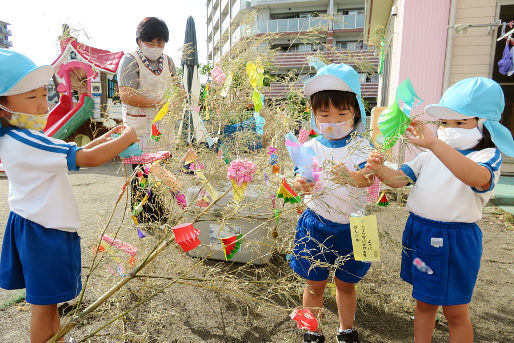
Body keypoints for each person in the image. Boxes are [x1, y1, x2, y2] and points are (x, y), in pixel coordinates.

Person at [0, 49, 139, 343]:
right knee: (43, 304)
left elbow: (78, 154)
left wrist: (107, 137)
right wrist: (127, 137)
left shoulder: (14, 138)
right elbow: (87, 160)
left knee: (49, 300)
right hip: (44, 229)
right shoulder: (25, 141)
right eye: (30, 98)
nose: (41, 105)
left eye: (42, 95)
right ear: (3, 106)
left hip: (35, 224)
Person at [366, 77, 514, 343]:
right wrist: (379, 168)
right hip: (420, 235)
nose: (448, 129)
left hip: (454, 240)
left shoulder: (486, 156)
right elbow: (400, 179)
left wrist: (435, 144)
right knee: (424, 303)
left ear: (484, 124)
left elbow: (478, 179)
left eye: (460, 122)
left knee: (455, 311)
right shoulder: (429, 154)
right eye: (444, 122)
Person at [291, 63, 375, 343]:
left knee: (348, 283)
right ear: (314, 116)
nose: (333, 120)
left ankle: (346, 329)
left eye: (342, 113)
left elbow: (368, 179)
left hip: (359, 226)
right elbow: (299, 180)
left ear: (356, 113)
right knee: (314, 284)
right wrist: (301, 184)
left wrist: (353, 177)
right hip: (316, 223)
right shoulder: (310, 148)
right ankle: (311, 330)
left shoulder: (363, 147)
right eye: (325, 114)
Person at [117, 17, 183, 224]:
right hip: (138, 127)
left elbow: (178, 87)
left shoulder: (169, 61)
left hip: (162, 127)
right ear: (139, 41)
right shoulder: (129, 60)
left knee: (161, 170)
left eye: (160, 43)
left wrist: (180, 96)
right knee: (141, 173)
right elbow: (126, 94)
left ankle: (161, 212)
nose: (156, 48)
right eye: (151, 43)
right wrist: (157, 102)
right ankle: (146, 218)